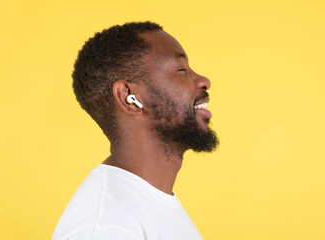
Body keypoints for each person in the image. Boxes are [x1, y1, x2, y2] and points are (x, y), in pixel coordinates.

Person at [52, 21, 219, 240]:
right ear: (129, 98)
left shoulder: (149, 203)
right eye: (181, 70)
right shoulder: (108, 229)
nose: (204, 81)